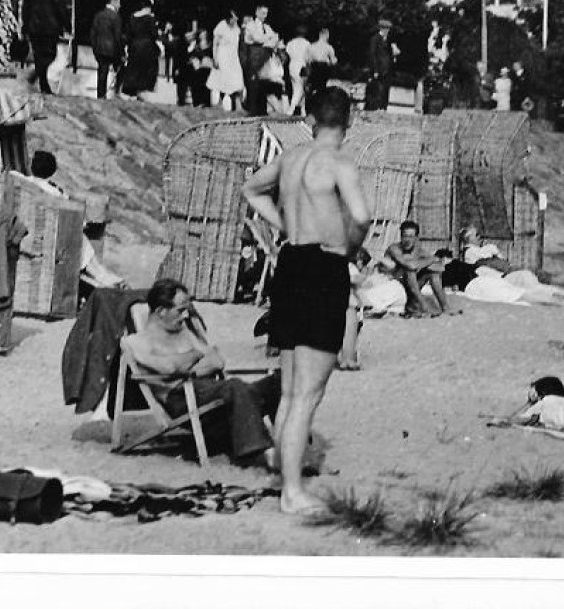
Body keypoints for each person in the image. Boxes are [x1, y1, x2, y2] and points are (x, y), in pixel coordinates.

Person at [241, 83, 371, 514]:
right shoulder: (339, 163)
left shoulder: (291, 158)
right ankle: (292, 494)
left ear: (311, 120)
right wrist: (349, 248)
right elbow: (362, 216)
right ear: (348, 123)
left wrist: (283, 225)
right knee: (306, 396)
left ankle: (286, 478)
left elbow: (250, 191)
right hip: (321, 267)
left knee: (291, 389)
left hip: (290, 265)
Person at [126, 279, 282, 467]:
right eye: (180, 310)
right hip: (182, 399)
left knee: (279, 381)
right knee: (236, 387)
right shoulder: (136, 342)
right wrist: (195, 355)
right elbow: (168, 368)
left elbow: (217, 360)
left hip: (211, 392)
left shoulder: (183, 333)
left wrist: (185, 364)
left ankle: (288, 445)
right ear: (161, 311)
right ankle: (269, 456)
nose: (185, 316)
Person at [24, 150, 125, 289]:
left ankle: (101, 275)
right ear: (52, 171)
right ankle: (102, 276)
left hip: (32, 230)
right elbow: (70, 215)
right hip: (54, 236)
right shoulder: (55, 193)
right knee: (83, 243)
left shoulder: (26, 184)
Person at [384, 219, 453, 317]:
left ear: (416, 238)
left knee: (433, 273)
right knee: (410, 270)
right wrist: (431, 260)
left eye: (411, 236)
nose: (407, 240)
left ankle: (445, 308)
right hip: (394, 287)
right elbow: (409, 265)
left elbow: (440, 267)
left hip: (410, 288)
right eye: (405, 236)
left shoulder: (418, 250)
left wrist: (426, 261)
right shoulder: (394, 249)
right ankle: (423, 306)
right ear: (401, 236)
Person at [23, 0, 67, 95]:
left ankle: (42, 83)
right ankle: (38, 76)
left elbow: (26, 8)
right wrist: (66, 25)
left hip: (34, 27)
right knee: (50, 54)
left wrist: (25, 25)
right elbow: (60, 7)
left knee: (38, 54)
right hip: (50, 27)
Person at [241, 5, 281, 116]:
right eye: (263, 13)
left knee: (263, 84)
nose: (265, 16)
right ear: (257, 13)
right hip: (254, 58)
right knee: (253, 85)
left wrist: (267, 39)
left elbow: (275, 39)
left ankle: (262, 110)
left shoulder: (267, 27)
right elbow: (256, 38)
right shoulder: (250, 25)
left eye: (266, 13)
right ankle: (252, 110)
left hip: (264, 58)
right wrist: (267, 39)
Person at [118, 0, 161, 102]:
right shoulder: (150, 19)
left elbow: (128, 35)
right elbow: (154, 35)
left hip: (134, 47)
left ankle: (130, 91)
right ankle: (141, 91)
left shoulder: (133, 18)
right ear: (148, 8)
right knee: (145, 71)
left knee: (133, 69)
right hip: (147, 48)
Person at [208, 10, 245, 111]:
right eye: (233, 17)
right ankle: (219, 104)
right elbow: (215, 44)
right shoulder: (221, 26)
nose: (235, 19)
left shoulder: (237, 28)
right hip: (222, 56)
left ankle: (238, 105)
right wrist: (215, 58)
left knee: (237, 81)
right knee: (221, 81)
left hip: (233, 57)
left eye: (236, 17)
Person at [89, 0, 124, 100]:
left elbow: (93, 33)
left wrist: (94, 47)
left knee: (102, 72)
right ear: (114, 2)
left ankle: (101, 95)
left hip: (99, 48)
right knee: (120, 69)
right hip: (112, 49)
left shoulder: (98, 15)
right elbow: (118, 36)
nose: (120, 6)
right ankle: (117, 92)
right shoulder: (116, 17)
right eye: (119, 2)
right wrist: (122, 52)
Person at [365, 17, 394, 111]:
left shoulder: (387, 40)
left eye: (388, 29)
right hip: (379, 69)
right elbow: (372, 54)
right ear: (382, 29)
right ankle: (374, 106)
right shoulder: (375, 39)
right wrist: (375, 69)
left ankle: (383, 106)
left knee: (385, 88)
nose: (388, 31)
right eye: (386, 29)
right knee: (377, 88)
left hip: (386, 69)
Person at [285, 25, 312, 115]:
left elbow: (287, 54)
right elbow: (308, 57)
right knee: (300, 88)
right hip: (302, 66)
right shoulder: (307, 44)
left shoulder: (290, 43)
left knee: (296, 87)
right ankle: (291, 108)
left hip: (292, 65)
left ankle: (303, 110)